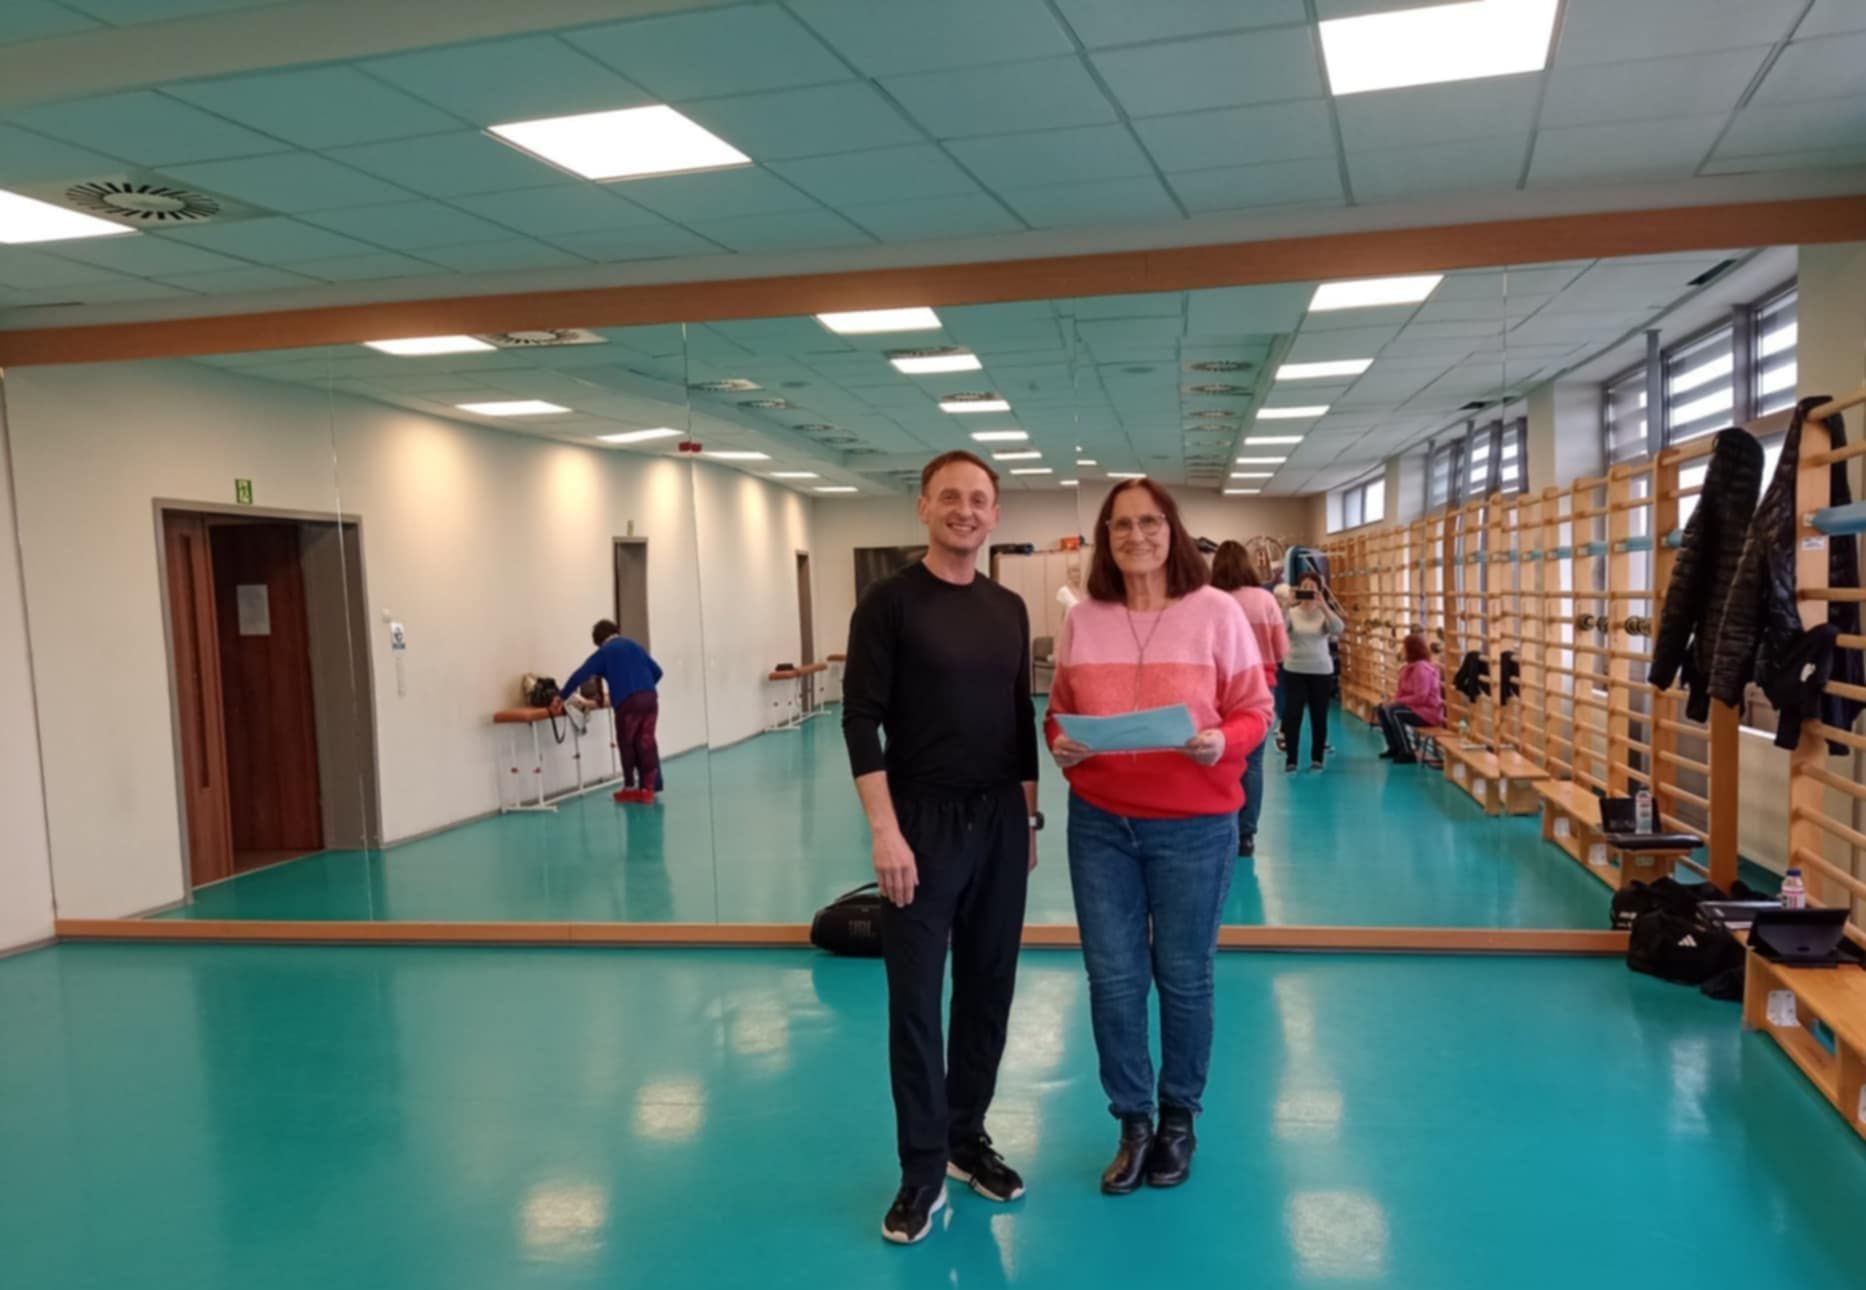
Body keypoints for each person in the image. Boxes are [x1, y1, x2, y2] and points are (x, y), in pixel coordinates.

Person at [1046, 479, 1274, 1195]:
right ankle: (1132, 1122)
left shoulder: (1217, 612)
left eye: (1149, 522)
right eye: (1120, 525)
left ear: (1171, 531)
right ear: (1105, 539)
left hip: (1195, 824)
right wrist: (1060, 744)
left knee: (1183, 976)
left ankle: (1179, 1119)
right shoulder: (1083, 619)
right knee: (1113, 979)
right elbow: (1058, 712)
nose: (1136, 535)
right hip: (1101, 823)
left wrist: (1222, 740)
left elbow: (1255, 709)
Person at [842, 450, 1040, 1246]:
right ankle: (921, 1167)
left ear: (995, 514)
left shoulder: (1009, 608)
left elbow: (1021, 719)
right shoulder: (888, 604)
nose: (966, 510)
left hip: (1000, 822)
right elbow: (860, 719)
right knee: (918, 1003)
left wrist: (1028, 820)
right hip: (920, 824)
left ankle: (965, 1137)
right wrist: (884, 829)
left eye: (979, 499)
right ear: (923, 507)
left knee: (989, 989)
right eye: (950, 497)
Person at [1210, 540, 1286, 858]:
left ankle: (1220, 825)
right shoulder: (1264, 600)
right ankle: (1246, 835)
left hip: (1217, 691)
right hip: (1260, 687)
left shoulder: (1208, 600)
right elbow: (1281, 650)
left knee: (1218, 757)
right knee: (1252, 764)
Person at [551, 619, 663, 803]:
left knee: (627, 743)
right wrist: (643, 687)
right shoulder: (635, 646)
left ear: (599, 640)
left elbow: (580, 675)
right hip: (650, 699)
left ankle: (630, 787)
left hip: (628, 703)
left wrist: (561, 696)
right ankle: (648, 790)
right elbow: (658, 672)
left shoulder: (604, 652)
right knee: (646, 741)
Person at [1282, 572, 1343, 773]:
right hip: (1295, 669)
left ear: (1319, 589)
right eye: (1304, 586)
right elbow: (1278, 628)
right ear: (1298, 589)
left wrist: (1324, 605)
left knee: (1319, 715)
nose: (1308, 590)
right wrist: (1286, 605)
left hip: (1320, 670)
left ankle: (1317, 757)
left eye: (1312, 587)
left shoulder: (1323, 613)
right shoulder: (1292, 613)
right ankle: (1291, 759)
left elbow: (1338, 629)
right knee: (1293, 715)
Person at [1375, 633, 1445, 763]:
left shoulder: (1422, 668)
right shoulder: (1407, 668)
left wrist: (1396, 702)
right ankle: (1394, 747)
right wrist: (1391, 701)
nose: (1402, 650)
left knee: (1394, 712)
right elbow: (1401, 693)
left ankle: (1407, 752)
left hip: (1428, 712)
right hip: (1415, 708)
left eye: (1404, 648)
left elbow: (1421, 697)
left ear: (1412, 650)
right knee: (1382, 709)